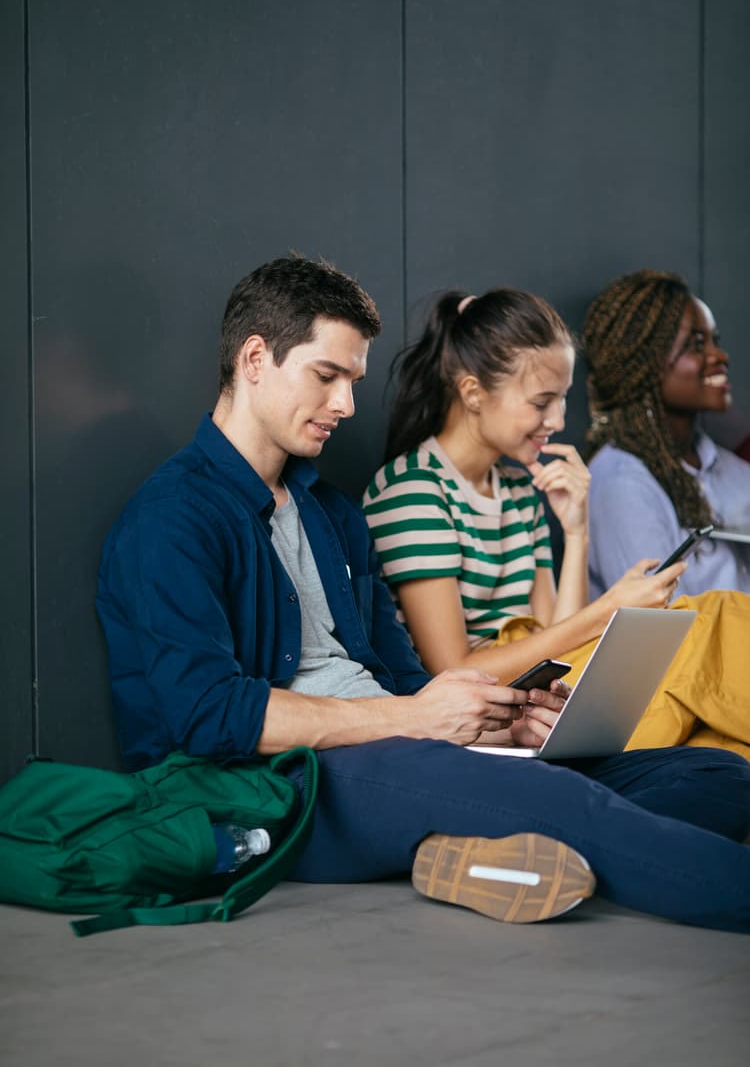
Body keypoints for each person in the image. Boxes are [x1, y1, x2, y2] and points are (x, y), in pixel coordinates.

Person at [97, 257, 750, 933]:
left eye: (353, 382)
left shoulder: (333, 515)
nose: (346, 405)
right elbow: (209, 716)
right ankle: (515, 834)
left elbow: (407, 680)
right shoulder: (173, 518)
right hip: (284, 783)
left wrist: (495, 722)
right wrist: (415, 719)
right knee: (557, 798)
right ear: (255, 359)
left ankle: (472, 848)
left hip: (398, 750)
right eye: (327, 376)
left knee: (717, 774)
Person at [362, 288, 750, 758]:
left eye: (563, 399)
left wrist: (576, 529)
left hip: (546, 689)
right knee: (712, 623)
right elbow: (453, 670)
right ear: (473, 393)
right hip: (490, 709)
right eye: (542, 401)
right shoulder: (414, 490)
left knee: (720, 739)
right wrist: (608, 609)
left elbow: (557, 640)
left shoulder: (519, 487)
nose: (559, 420)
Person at [583, 269, 750, 598]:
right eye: (696, 345)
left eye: (715, 341)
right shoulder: (620, 482)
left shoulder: (734, 471)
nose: (719, 356)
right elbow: (661, 617)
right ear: (643, 363)